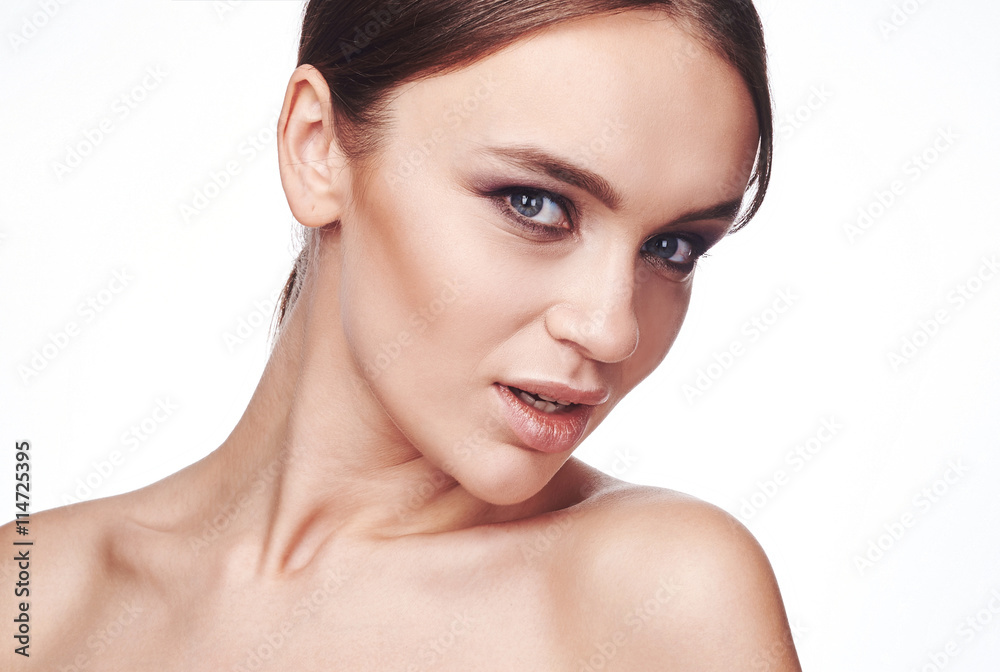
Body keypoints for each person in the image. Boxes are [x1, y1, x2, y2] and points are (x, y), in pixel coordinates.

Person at [3, 0, 801, 669]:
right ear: (317, 147)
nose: (611, 328)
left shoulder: (658, 600)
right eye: (535, 204)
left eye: (673, 247)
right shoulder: (33, 600)